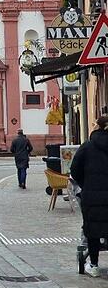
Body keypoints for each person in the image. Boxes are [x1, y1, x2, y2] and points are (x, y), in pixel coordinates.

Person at [70, 116, 108, 277]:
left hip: (92, 197)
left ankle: (94, 265)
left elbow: (74, 169)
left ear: (97, 127)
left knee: (92, 231)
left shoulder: (87, 146)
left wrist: (86, 185)